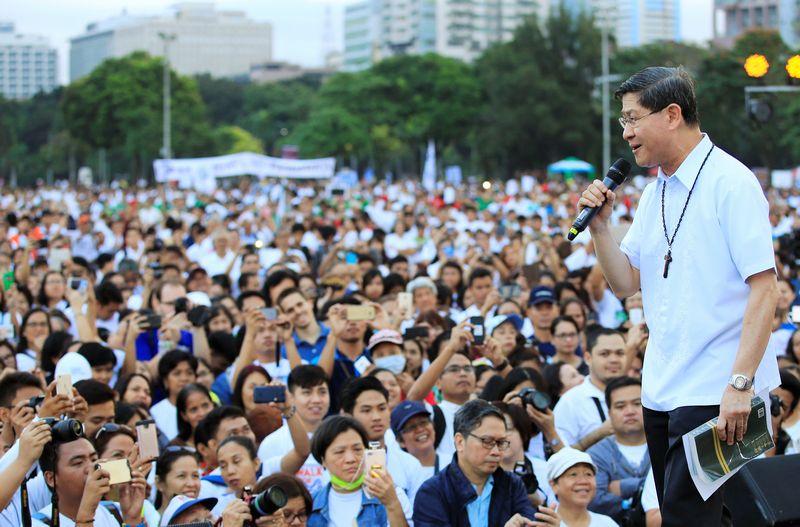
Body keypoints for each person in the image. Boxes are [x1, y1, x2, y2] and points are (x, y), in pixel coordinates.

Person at [578, 66, 780, 525]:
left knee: (694, 519)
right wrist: (602, 227)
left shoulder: (731, 182)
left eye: (633, 119)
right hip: (662, 388)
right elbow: (627, 283)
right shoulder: (655, 193)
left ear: (672, 114)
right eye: (623, 122)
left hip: (717, 389)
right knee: (685, 515)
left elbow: (764, 290)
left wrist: (740, 385)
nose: (626, 133)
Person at [413, 399, 558, 527]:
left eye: (501, 442)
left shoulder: (512, 485)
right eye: (487, 442)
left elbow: (527, 520)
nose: (496, 451)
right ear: (460, 442)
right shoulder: (433, 493)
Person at [307, 415, 412, 527]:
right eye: (339, 452)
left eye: (357, 449)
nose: (351, 459)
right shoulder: (309, 505)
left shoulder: (393, 495)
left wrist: (392, 504)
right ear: (322, 459)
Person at [339, 376, 425, 503]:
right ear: (348, 416)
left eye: (382, 408)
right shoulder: (341, 466)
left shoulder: (411, 465)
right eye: (366, 410)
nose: (376, 417)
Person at [256, 365, 330, 495]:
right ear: (291, 396)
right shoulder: (272, 443)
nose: (316, 400)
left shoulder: (337, 436)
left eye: (322, 392)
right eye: (307, 392)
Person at [587, 377, 649, 523]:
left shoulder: (666, 446)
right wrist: (648, 494)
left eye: (637, 404)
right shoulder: (595, 455)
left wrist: (624, 486)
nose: (630, 411)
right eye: (620, 406)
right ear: (609, 414)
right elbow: (595, 502)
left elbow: (677, 491)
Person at [553, 327, 625, 451]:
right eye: (604, 354)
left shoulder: (641, 395)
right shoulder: (570, 402)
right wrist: (597, 435)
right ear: (588, 358)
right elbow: (561, 456)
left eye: (620, 353)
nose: (614, 360)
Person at [546, 448, 617, 527]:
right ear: (553, 485)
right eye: (573, 474)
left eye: (588, 474)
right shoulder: (545, 524)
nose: (583, 481)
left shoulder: (607, 524)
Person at [155, 447, 203, 516]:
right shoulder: (149, 522)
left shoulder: (210, 520)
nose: (191, 484)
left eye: (195, 476)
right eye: (181, 476)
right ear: (159, 483)